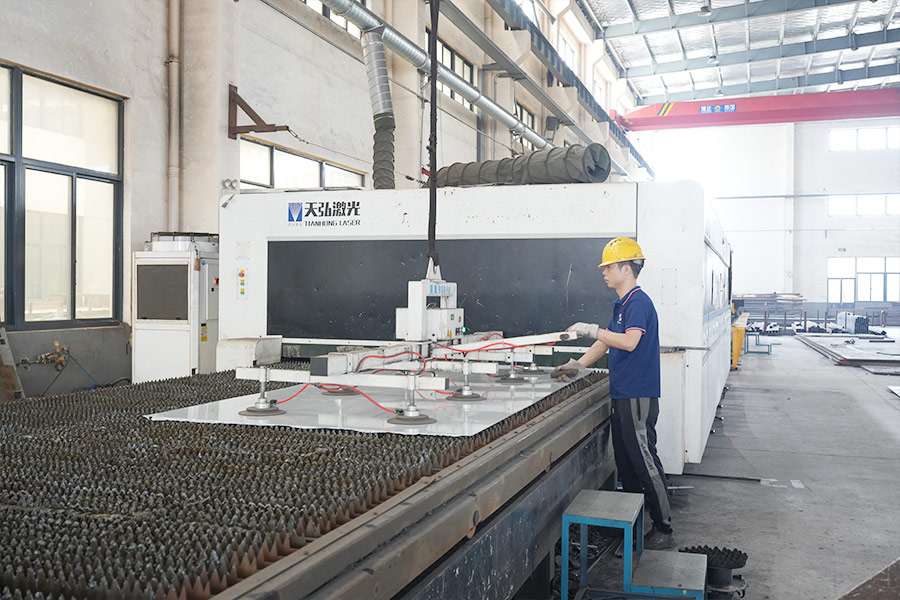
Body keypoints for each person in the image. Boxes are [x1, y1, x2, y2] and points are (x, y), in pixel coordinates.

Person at [552, 237, 675, 550]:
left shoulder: (638, 303)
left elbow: (630, 342)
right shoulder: (622, 305)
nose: (604, 272)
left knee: (644, 461)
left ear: (627, 269)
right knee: (627, 462)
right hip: (622, 394)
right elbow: (606, 342)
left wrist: (592, 329)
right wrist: (577, 365)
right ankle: (630, 524)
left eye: (609, 267)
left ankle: (663, 527)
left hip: (637, 396)